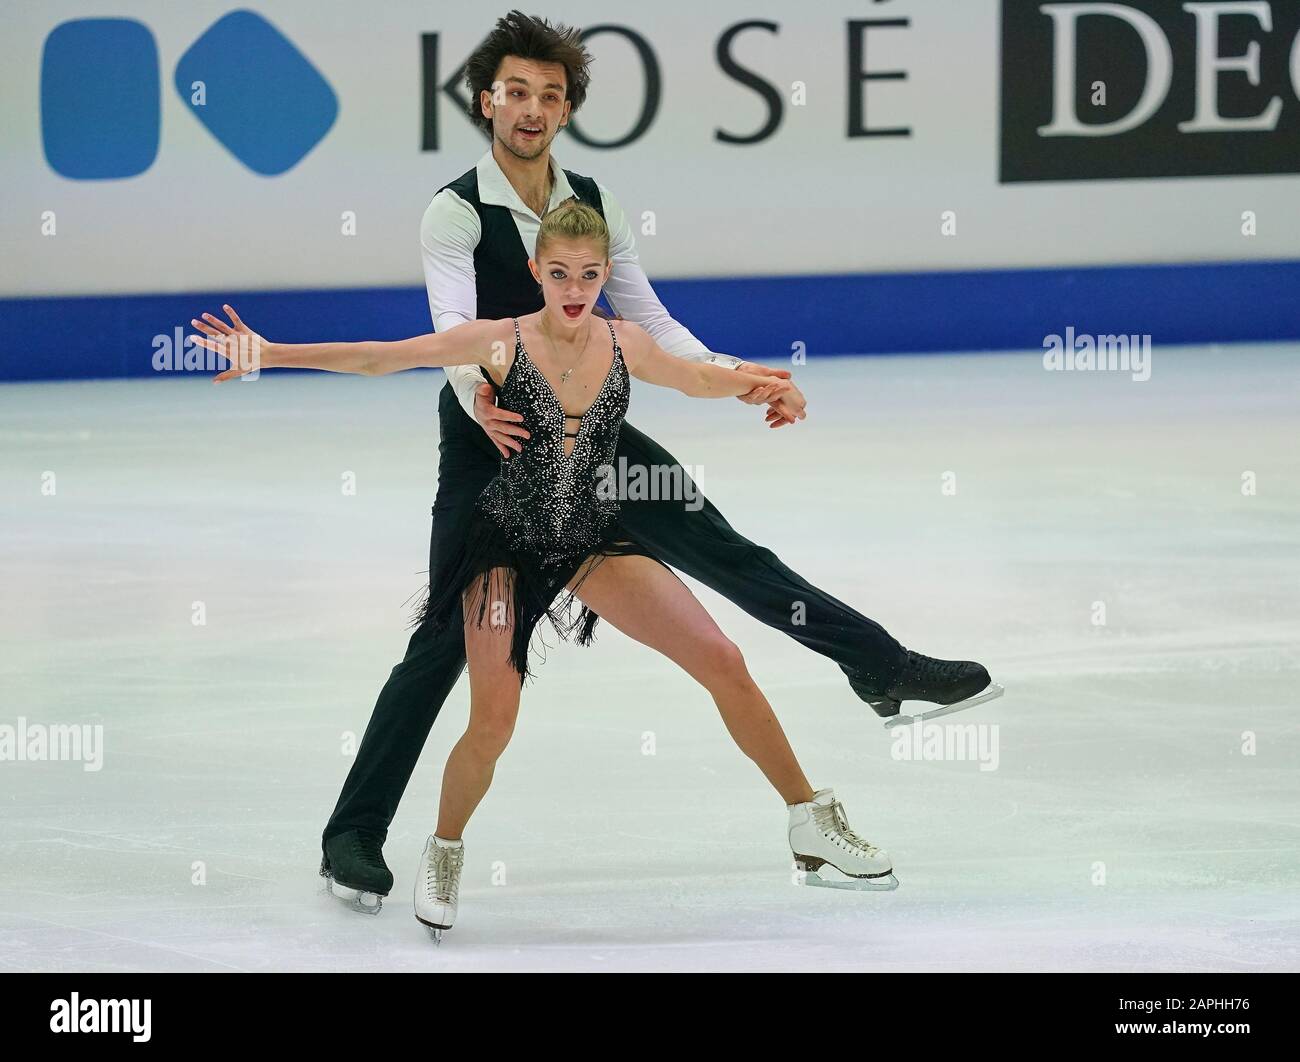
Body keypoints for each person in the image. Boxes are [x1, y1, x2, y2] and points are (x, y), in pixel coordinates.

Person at [314, 10, 999, 915]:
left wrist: (736, 376)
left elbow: (648, 322)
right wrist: (475, 394)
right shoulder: (455, 210)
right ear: (488, 100)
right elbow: (450, 333)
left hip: (597, 440)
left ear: (566, 110)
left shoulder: (589, 206)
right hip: (495, 447)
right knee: (442, 646)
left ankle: (878, 663)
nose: (532, 108)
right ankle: (354, 837)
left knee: (734, 556)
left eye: (550, 95)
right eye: (516, 91)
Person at [190, 200, 903, 942]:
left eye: (589, 274)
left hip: (589, 540)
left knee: (723, 659)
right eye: (559, 272)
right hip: (503, 548)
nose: (573, 287)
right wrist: (267, 354)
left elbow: (695, 379)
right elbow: (382, 354)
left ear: (604, 276)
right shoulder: (498, 342)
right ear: (535, 270)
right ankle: (445, 848)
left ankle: (810, 821)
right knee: (494, 716)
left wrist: (766, 386)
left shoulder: (624, 342)